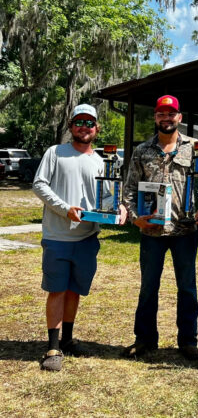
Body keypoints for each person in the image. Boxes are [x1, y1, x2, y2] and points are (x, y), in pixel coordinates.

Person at [33, 103, 127, 371]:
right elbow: (39, 185)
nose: (84, 127)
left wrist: (119, 207)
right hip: (58, 236)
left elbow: (109, 195)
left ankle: (69, 340)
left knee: (75, 291)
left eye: (89, 123)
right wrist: (65, 209)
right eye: (79, 122)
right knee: (57, 290)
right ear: (71, 125)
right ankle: (53, 346)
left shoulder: (101, 161)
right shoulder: (55, 153)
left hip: (87, 238)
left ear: (96, 129)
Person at [122, 95, 198, 360]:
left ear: (179, 117)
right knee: (148, 287)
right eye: (161, 114)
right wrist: (133, 216)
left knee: (187, 287)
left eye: (171, 113)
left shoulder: (196, 148)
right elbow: (129, 188)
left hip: (184, 231)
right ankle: (144, 339)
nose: (166, 118)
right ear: (155, 118)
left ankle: (188, 340)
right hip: (151, 231)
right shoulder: (142, 150)